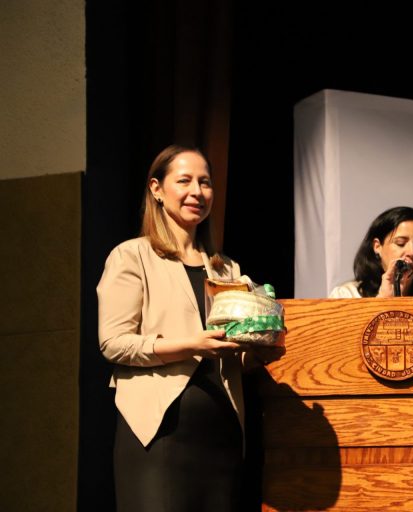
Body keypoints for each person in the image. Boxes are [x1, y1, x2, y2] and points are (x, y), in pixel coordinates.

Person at [97, 145, 280, 511]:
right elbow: (114, 343)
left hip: (221, 433)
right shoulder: (132, 256)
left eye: (205, 182)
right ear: (156, 189)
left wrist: (260, 350)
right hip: (159, 432)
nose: (197, 191)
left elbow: (230, 353)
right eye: (184, 181)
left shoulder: (227, 269)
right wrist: (191, 345)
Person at [329, 206, 413, 298]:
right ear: (377, 246)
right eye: (400, 243)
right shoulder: (346, 295)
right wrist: (383, 302)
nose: (412, 252)